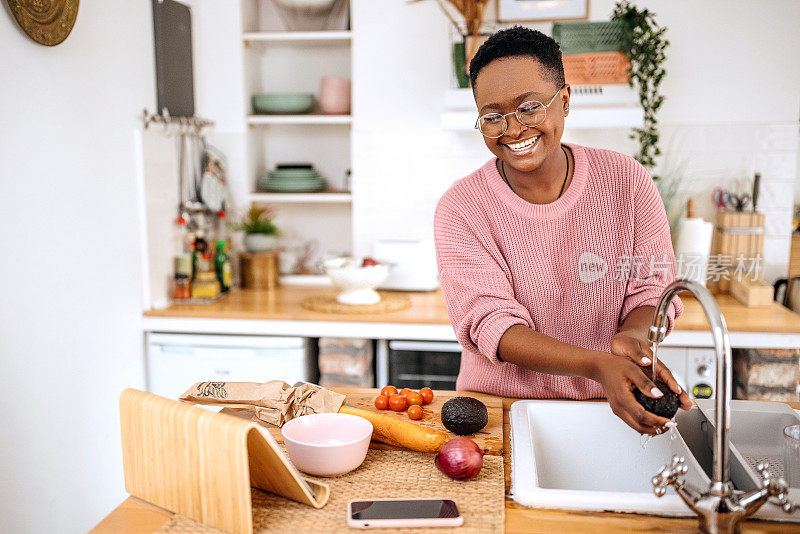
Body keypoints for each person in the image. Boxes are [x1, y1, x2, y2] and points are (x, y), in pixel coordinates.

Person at [433, 26, 691, 436]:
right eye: (493, 116)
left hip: (608, 406)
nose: (513, 130)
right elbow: (492, 324)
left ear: (564, 101)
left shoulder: (626, 181)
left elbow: (652, 289)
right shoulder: (461, 208)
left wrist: (632, 336)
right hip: (500, 413)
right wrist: (595, 363)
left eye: (530, 108)